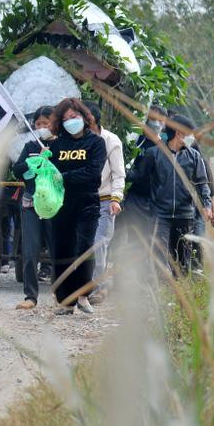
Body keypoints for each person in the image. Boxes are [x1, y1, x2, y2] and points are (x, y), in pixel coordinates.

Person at [127, 113, 214, 274]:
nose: (192, 138)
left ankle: (178, 294)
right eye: (189, 134)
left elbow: (203, 184)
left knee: (182, 262)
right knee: (160, 259)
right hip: (160, 215)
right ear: (179, 134)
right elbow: (139, 176)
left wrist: (207, 205)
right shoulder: (154, 154)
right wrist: (118, 171)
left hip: (185, 216)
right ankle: (161, 292)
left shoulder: (194, 156)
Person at [47, 98, 106, 315]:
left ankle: (83, 295)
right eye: (65, 119)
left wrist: (64, 177)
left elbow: (93, 172)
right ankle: (65, 300)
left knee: (84, 248)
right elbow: (50, 174)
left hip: (87, 202)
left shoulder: (96, 143)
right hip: (61, 202)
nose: (71, 122)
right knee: (62, 249)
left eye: (74, 117)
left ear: (83, 116)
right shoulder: (57, 145)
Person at [11, 106, 55, 310]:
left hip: (55, 205)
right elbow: (17, 170)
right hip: (31, 203)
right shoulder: (30, 145)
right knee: (30, 250)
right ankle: (30, 296)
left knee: (58, 249)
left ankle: (60, 293)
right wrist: (34, 160)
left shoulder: (63, 145)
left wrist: (50, 157)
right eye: (38, 124)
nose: (42, 127)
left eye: (46, 123)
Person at [84, 102, 125, 304]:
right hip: (82, 198)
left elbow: (118, 174)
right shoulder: (76, 141)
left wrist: (116, 198)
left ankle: (97, 287)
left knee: (97, 243)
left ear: (93, 119)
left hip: (104, 200)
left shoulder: (111, 141)